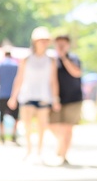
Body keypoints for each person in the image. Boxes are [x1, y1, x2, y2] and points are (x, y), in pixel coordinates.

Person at [7, 27, 59, 163]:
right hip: (27, 96)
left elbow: (53, 81)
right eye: (41, 40)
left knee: (42, 127)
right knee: (27, 126)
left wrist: (55, 99)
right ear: (35, 41)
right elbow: (19, 79)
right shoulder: (26, 59)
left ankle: (39, 152)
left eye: (46, 40)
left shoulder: (51, 60)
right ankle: (29, 150)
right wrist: (13, 97)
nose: (44, 43)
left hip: (44, 97)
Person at [49, 34, 82, 166]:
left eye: (63, 44)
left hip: (74, 98)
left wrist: (64, 58)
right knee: (52, 125)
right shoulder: (51, 60)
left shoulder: (73, 58)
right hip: (56, 98)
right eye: (58, 44)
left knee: (68, 128)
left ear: (68, 45)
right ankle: (62, 144)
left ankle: (64, 155)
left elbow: (76, 73)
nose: (61, 47)